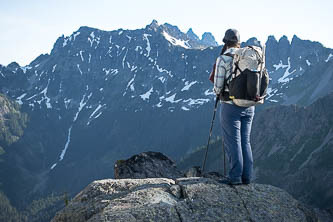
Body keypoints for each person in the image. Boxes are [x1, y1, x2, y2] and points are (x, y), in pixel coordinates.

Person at [213, 29, 255, 185]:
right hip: (249, 105)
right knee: (245, 141)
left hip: (231, 106)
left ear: (225, 41)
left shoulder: (223, 59)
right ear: (239, 41)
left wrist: (218, 92)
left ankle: (235, 177)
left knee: (233, 141)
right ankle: (247, 177)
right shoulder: (249, 56)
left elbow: (218, 87)